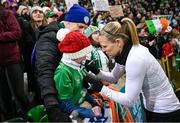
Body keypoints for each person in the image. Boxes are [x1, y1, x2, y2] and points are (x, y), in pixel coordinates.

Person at [83, 18, 180, 122]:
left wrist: (101, 88)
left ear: (118, 42)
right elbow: (113, 77)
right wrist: (95, 71)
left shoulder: (135, 58)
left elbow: (129, 100)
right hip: (154, 107)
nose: (103, 50)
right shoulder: (126, 50)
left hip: (165, 112)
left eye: (105, 46)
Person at [34, 4, 91, 122]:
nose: (82, 32)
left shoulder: (74, 37)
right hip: (54, 98)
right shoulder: (49, 38)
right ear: (67, 23)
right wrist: (51, 105)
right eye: (80, 27)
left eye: (85, 28)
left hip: (69, 95)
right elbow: (45, 71)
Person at [54, 31, 101, 121]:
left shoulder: (78, 65)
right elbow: (65, 105)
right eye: (83, 54)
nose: (85, 57)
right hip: (73, 113)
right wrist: (86, 112)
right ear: (74, 55)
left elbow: (80, 90)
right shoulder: (63, 73)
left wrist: (92, 99)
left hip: (81, 104)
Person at [0, 3, 30, 121]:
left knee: (18, 94)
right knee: (3, 97)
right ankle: (10, 119)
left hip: (11, 60)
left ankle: (29, 117)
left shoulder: (7, 14)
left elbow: (17, 32)